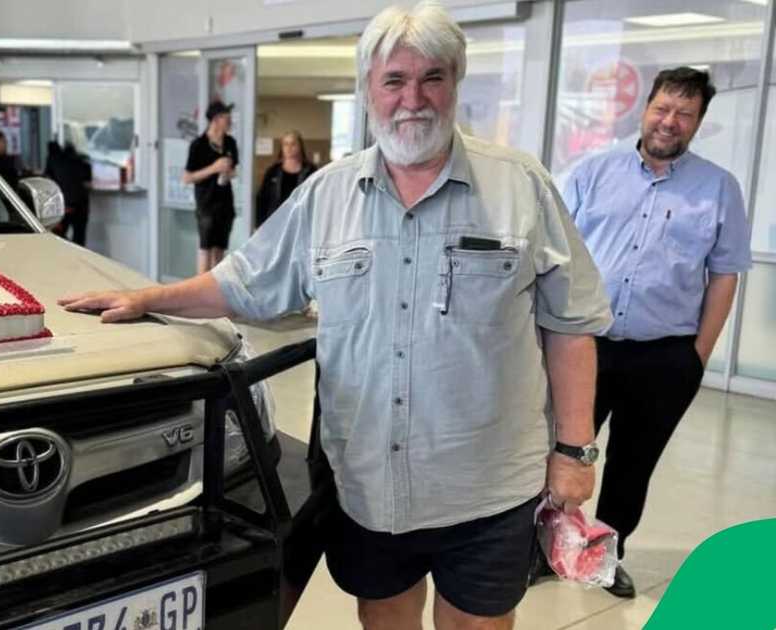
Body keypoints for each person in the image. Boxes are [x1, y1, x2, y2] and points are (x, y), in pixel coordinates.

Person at [59, 3, 613, 628]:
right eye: (394, 80)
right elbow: (243, 281)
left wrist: (574, 452)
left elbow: (571, 322)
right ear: (369, 90)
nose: (414, 99)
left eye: (432, 78)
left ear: (455, 83)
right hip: (370, 483)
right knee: (384, 618)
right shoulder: (327, 195)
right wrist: (149, 299)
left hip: (487, 485)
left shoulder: (520, 186)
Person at [555, 67, 752, 598]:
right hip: (584, 346)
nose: (670, 121)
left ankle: (606, 556)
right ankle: (544, 549)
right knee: (561, 450)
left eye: (684, 114)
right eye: (663, 108)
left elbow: (725, 274)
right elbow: (554, 258)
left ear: (698, 122)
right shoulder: (591, 173)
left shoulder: (719, 189)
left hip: (665, 357)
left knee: (632, 466)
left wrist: (697, 356)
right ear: (645, 108)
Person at [184, 100, 239, 274]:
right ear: (215, 119)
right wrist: (213, 168)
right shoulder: (198, 145)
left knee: (220, 250)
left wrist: (229, 173)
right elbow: (187, 177)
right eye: (226, 118)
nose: (230, 121)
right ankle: (199, 292)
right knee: (205, 249)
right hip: (206, 204)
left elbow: (234, 170)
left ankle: (216, 291)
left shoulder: (230, 142)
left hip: (225, 201)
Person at [256, 130, 317, 229]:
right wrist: (259, 225)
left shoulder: (310, 171)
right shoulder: (273, 171)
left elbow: (316, 199)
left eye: (293, 144)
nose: (289, 148)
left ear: (300, 147)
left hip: (301, 223)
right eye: (286, 144)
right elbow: (262, 199)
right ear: (282, 148)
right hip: (275, 223)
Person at [45, 140, 93, 246]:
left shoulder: (53, 160)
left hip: (63, 204)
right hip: (81, 204)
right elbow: (88, 184)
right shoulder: (83, 162)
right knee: (79, 237)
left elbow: (48, 179)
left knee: (59, 237)